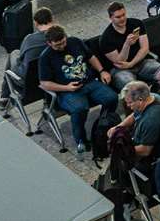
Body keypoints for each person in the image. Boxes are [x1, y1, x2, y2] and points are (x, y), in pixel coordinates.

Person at [38, 24, 120, 155]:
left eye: (63, 42)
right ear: (49, 43)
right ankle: (81, 139)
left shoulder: (75, 42)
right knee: (79, 109)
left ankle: (103, 126)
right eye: (57, 45)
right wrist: (66, 88)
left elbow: (90, 57)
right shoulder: (45, 57)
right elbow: (44, 83)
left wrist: (102, 71)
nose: (62, 46)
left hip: (89, 82)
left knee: (111, 98)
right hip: (67, 91)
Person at [99, 1, 160, 97]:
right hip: (120, 70)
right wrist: (127, 44)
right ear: (110, 18)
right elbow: (120, 62)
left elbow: (145, 48)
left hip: (141, 62)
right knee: (135, 88)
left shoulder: (136, 23)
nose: (122, 19)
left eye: (123, 15)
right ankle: (145, 108)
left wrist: (132, 63)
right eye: (118, 17)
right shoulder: (106, 38)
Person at [108, 79, 160, 165]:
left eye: (130, 103)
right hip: (144, 138)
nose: (128, 105)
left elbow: (145, 151)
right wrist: (118, 127)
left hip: (155, 156)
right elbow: (134, 115)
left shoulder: (151, 119)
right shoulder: (152, 97)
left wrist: (123, 151)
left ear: (140, 99)